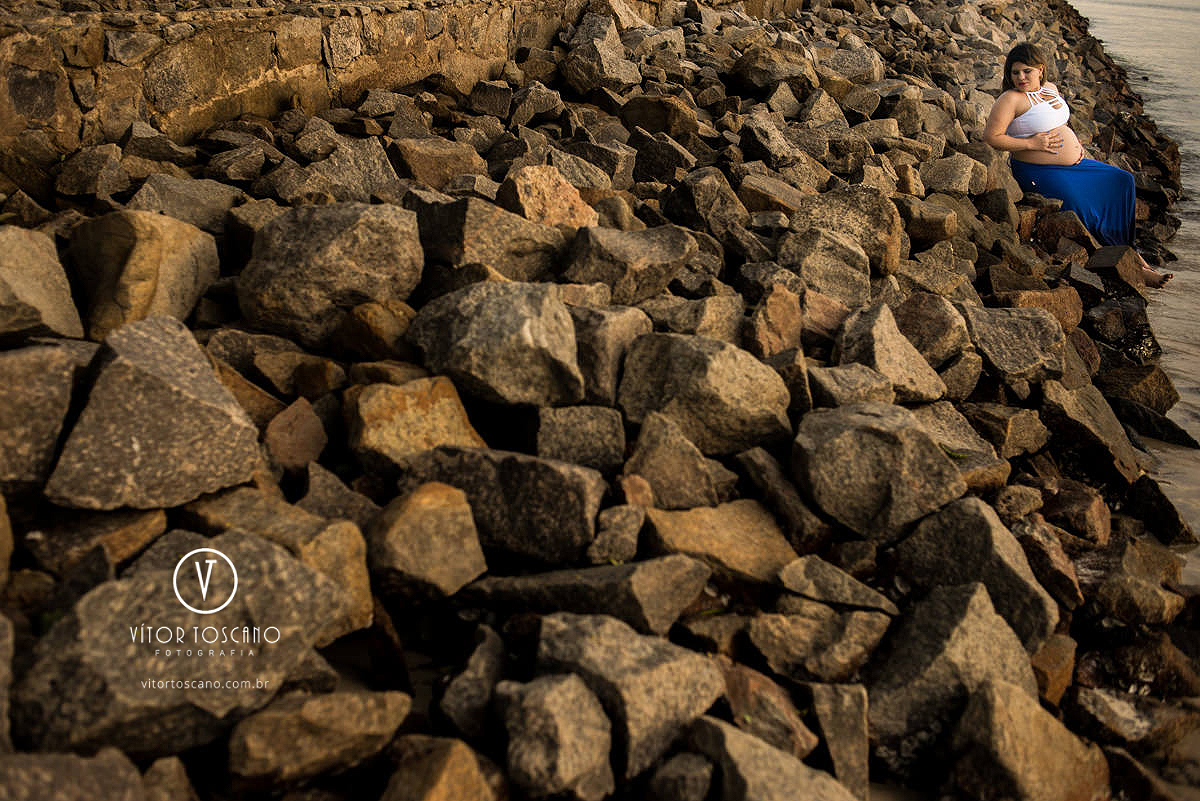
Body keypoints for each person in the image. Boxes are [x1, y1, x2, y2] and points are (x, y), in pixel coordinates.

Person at [983, 42, 1172, 287]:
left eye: (1027, 71)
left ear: (1040, 70)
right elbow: (992, 137)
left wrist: (1073, 141)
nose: (1021, 77)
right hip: (1038, 171)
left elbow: (1056, 121)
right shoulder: (1010, 99)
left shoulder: (1050, 89)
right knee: (1083, 208)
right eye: (1015, 72)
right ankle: (1135, 268)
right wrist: (1031, 143)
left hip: (1073, 166)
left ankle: (1131, 253)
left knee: (1122, 181)